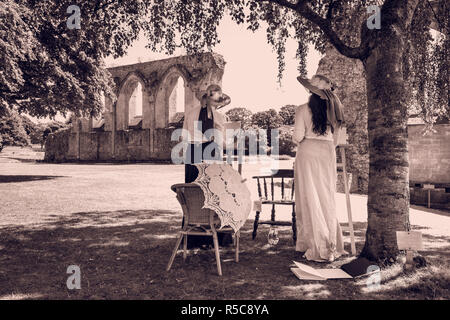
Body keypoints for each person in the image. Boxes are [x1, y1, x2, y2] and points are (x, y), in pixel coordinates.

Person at [293, 74, 347, 262]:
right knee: (325, 196)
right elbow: (336, 140)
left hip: (307, 152)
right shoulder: (335, 110)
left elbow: (298, 137)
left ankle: (313, 244)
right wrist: (325, 147)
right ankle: (329, 243)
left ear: (310, 91)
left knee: (308, 196)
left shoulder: (302, 109)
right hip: (326, 152)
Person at [181, 84, 232, 248]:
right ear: (206, 98)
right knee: (195, 192)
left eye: (219, 101)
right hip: (195, 154)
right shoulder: (192, 114)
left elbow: (223, 142)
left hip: (213, 155)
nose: (217, 104)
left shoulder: (220, 117)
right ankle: (195, 236)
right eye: (215, 100)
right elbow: (185, 136)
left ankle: (216, 235)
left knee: (214, 192)